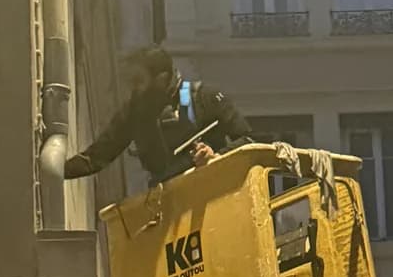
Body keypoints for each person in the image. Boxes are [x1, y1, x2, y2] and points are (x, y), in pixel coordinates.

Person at [63, 46, 254, 185]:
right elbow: (97, 156)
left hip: (211, 196)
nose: (134, 88)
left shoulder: (205, 98)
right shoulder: (136, 110)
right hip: (166, 204)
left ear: (161, 78)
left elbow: (247, 140)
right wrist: (57, 171)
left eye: (139, 81)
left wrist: (216, 157)